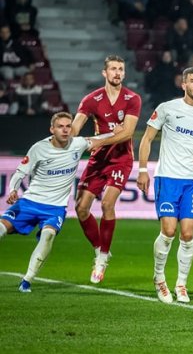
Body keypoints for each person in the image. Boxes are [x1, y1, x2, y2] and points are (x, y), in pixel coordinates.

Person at [2, 112, 115, 292]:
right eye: (61, 126)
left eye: (68, 126)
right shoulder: (38, 148)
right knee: (1, 228)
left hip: (55, 208)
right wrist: (13, 190)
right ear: (52, 129)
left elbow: (99, 139)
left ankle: (27, 280)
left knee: (48, 235)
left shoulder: (77, 144)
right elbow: (19, 172)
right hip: (30, 202)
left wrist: (121, 131)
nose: (65, 130)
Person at [136, 67, 193, 304]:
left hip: (192, 181)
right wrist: (142, 170)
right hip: (168, 177)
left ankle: (181, 284)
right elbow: (147, 139)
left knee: (188, 234)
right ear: (183, 85)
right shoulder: (167, 108)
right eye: (192, 81)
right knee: (169, 231)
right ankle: (159, 278)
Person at [71, 55, 142, 284]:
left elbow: (128, 133)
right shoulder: (92, 100)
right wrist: (63, 140)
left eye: (121, 69)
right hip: (98, 161)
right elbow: (74, 128)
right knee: (81, 208)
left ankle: (101, 260)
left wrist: (96, 141)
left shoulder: (132, 99)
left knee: (107, 203)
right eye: (113, 69)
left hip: (121, 158)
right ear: (105, 73)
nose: (117, 73)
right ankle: (100, 248)